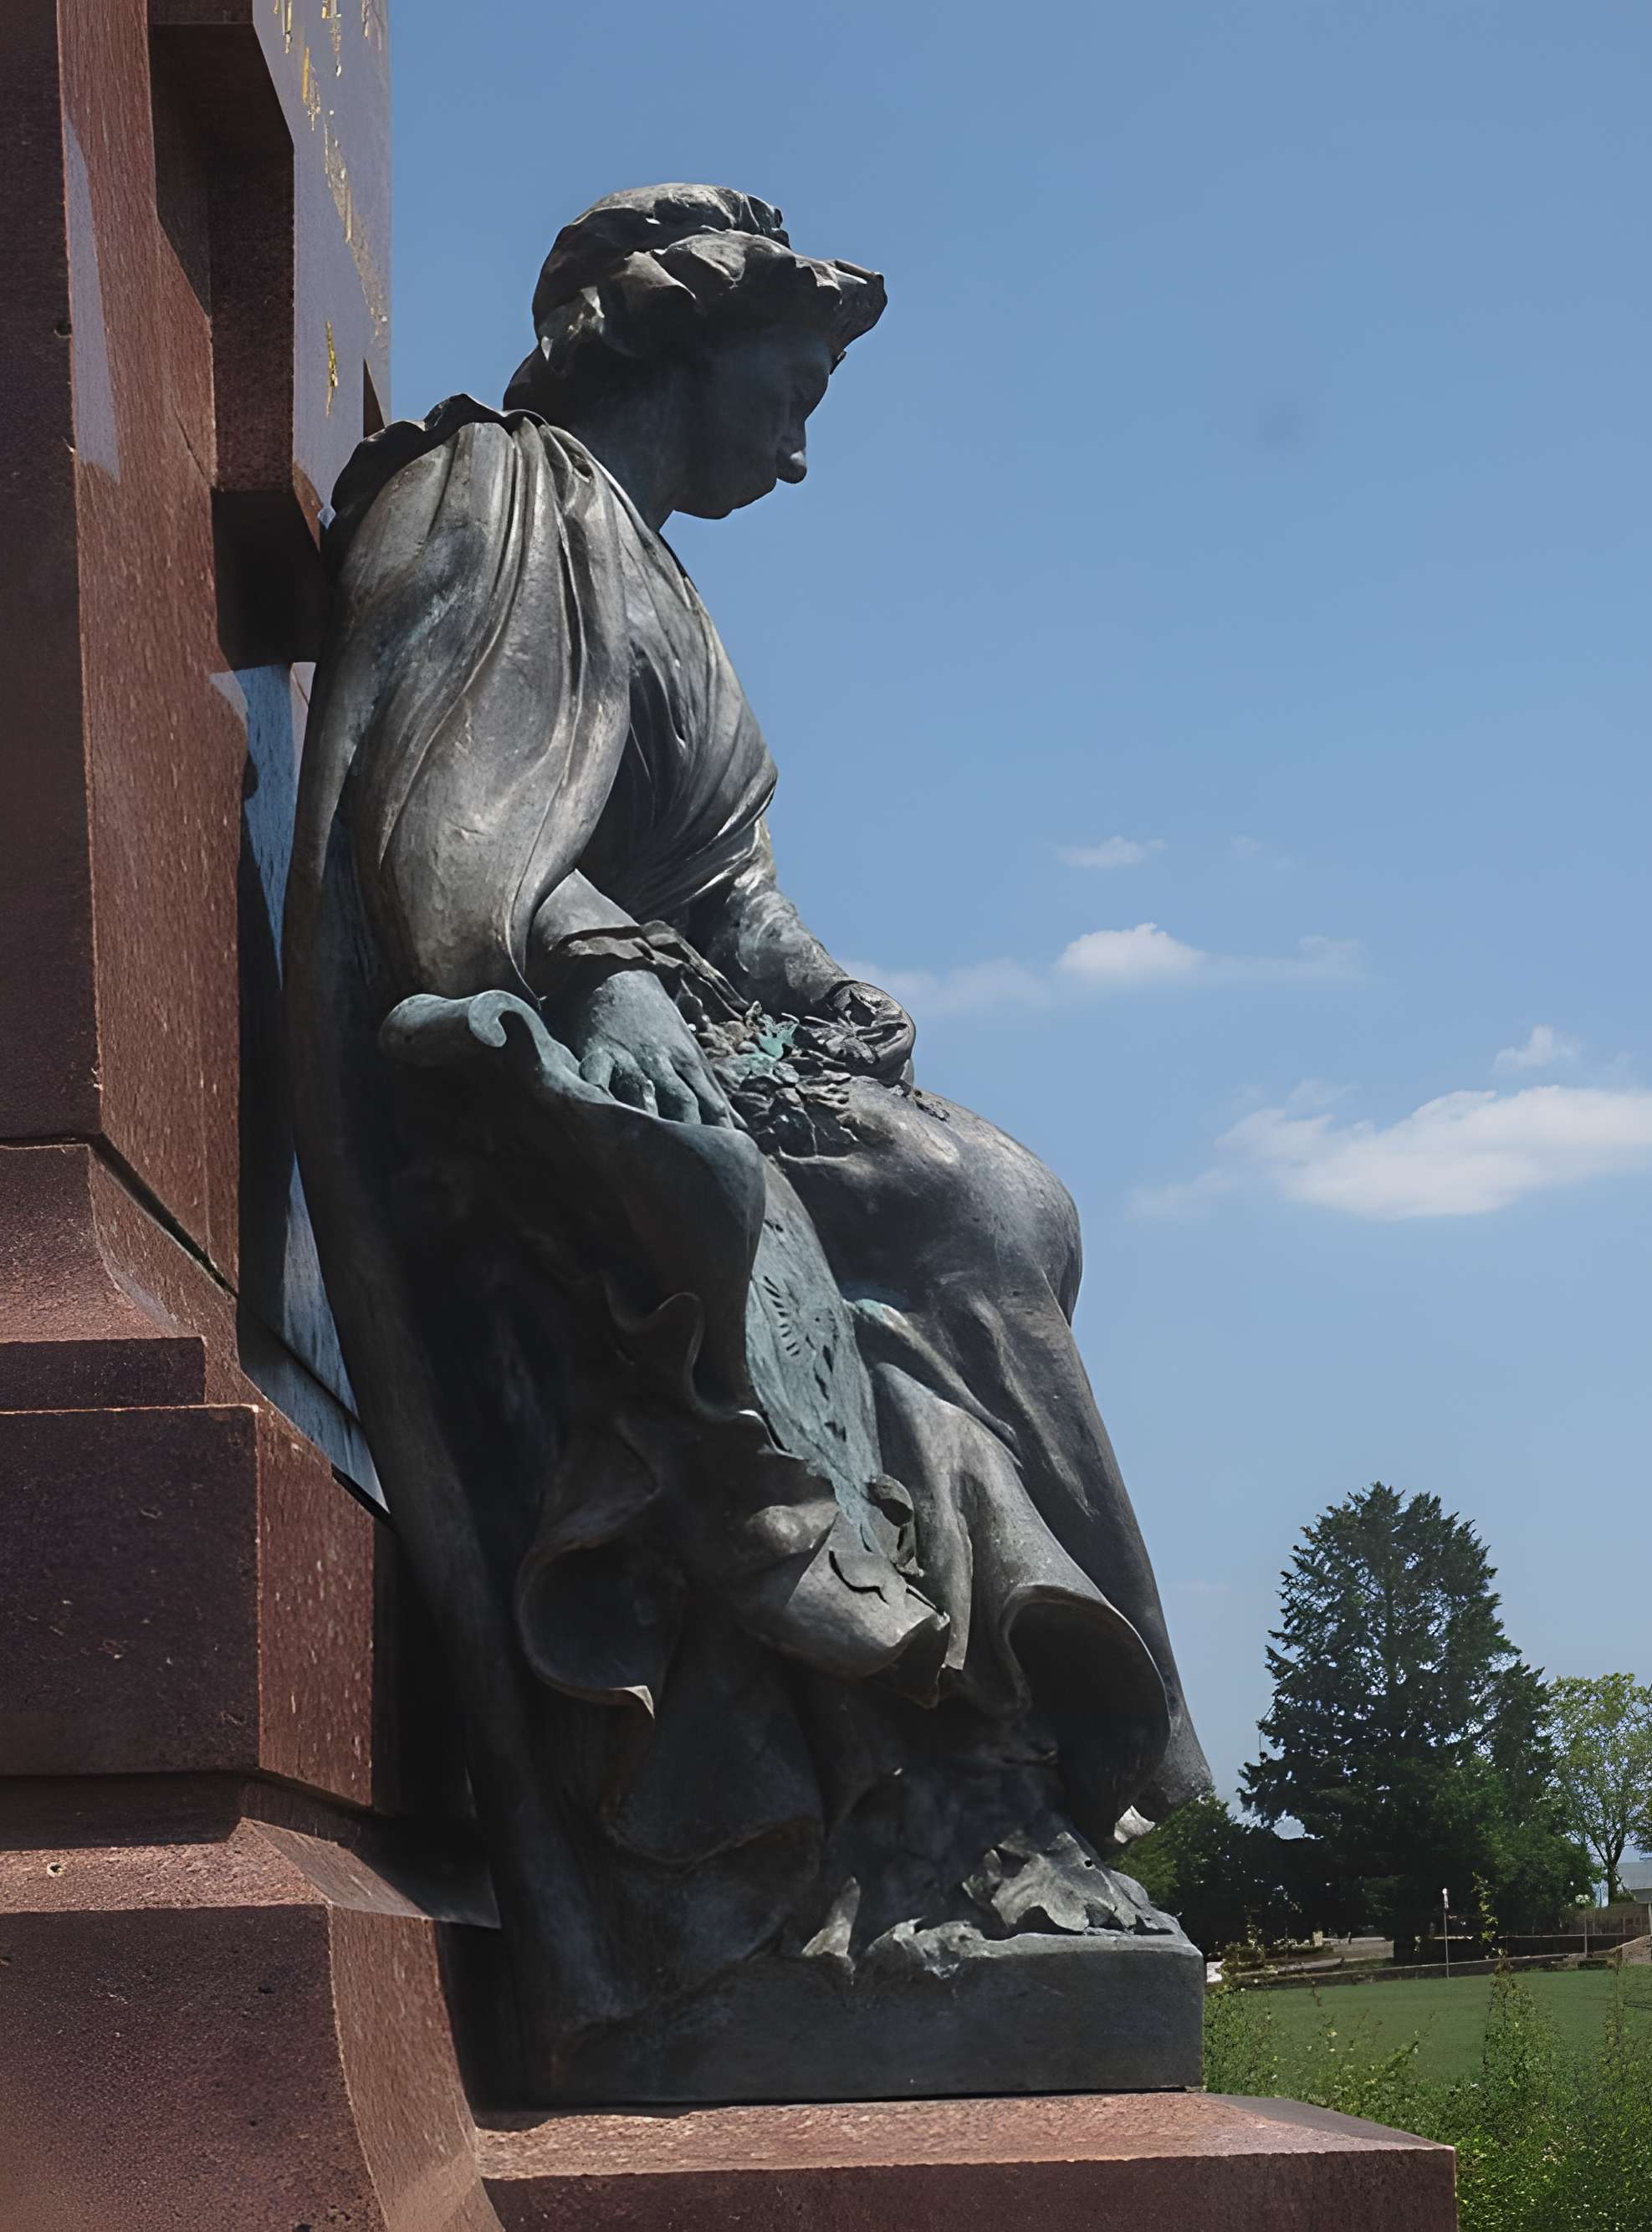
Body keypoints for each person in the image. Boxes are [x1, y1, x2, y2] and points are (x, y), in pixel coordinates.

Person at [285, 184, 1210, 2096]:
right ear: (680, 351)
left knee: (1001, 1195)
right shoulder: (498, 498)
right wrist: (629, 998)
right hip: (544, 1068)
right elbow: (451, 848)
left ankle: (998, 1777)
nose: (801, 444)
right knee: (955, 1214)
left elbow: (728, 887)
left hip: (678, 1029)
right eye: (787, 389)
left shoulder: (659, 566)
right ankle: (951, 1791)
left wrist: (822, 989)